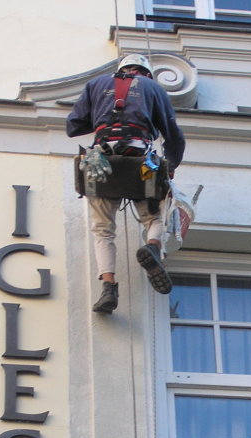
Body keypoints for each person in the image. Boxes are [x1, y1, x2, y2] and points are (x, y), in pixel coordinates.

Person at [66, 53, 186, 314]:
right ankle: (153, 246)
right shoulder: (153, 88)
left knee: (102, 229)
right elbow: (172, 132)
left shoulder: (96, 84)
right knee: (155, 215)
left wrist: (101, 116)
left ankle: (108, 287)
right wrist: (172, 164)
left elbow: (73, 125)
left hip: (101, 160)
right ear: (147, 73)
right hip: (139, 158)